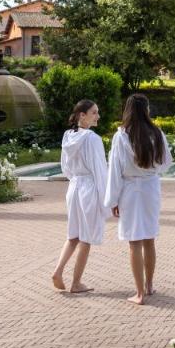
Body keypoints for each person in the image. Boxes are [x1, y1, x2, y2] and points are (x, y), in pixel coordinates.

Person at [105, 93, 172, 305]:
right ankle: (149, 285)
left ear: (128, 110)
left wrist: (113, 200)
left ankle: (139, 293)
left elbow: (114, 170)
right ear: (146, 109)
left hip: (130, 190)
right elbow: (166, 163)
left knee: (134, 242)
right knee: (149, 239)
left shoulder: (121, 136)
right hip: (151, 188)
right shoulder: (157, 133)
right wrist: (151, 171)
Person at [52, 99, 108, 294]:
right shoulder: (92, 139)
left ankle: (58, 271)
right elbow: (100, 170)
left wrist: (76, 179)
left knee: (73, 234)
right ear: (82, 115)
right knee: (86, 237)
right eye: (94, 112)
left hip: (74, 186)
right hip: (89, 188)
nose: (98, 116)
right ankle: (76, 283)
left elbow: (65, 167)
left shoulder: (68, 136)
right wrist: (106, 198)